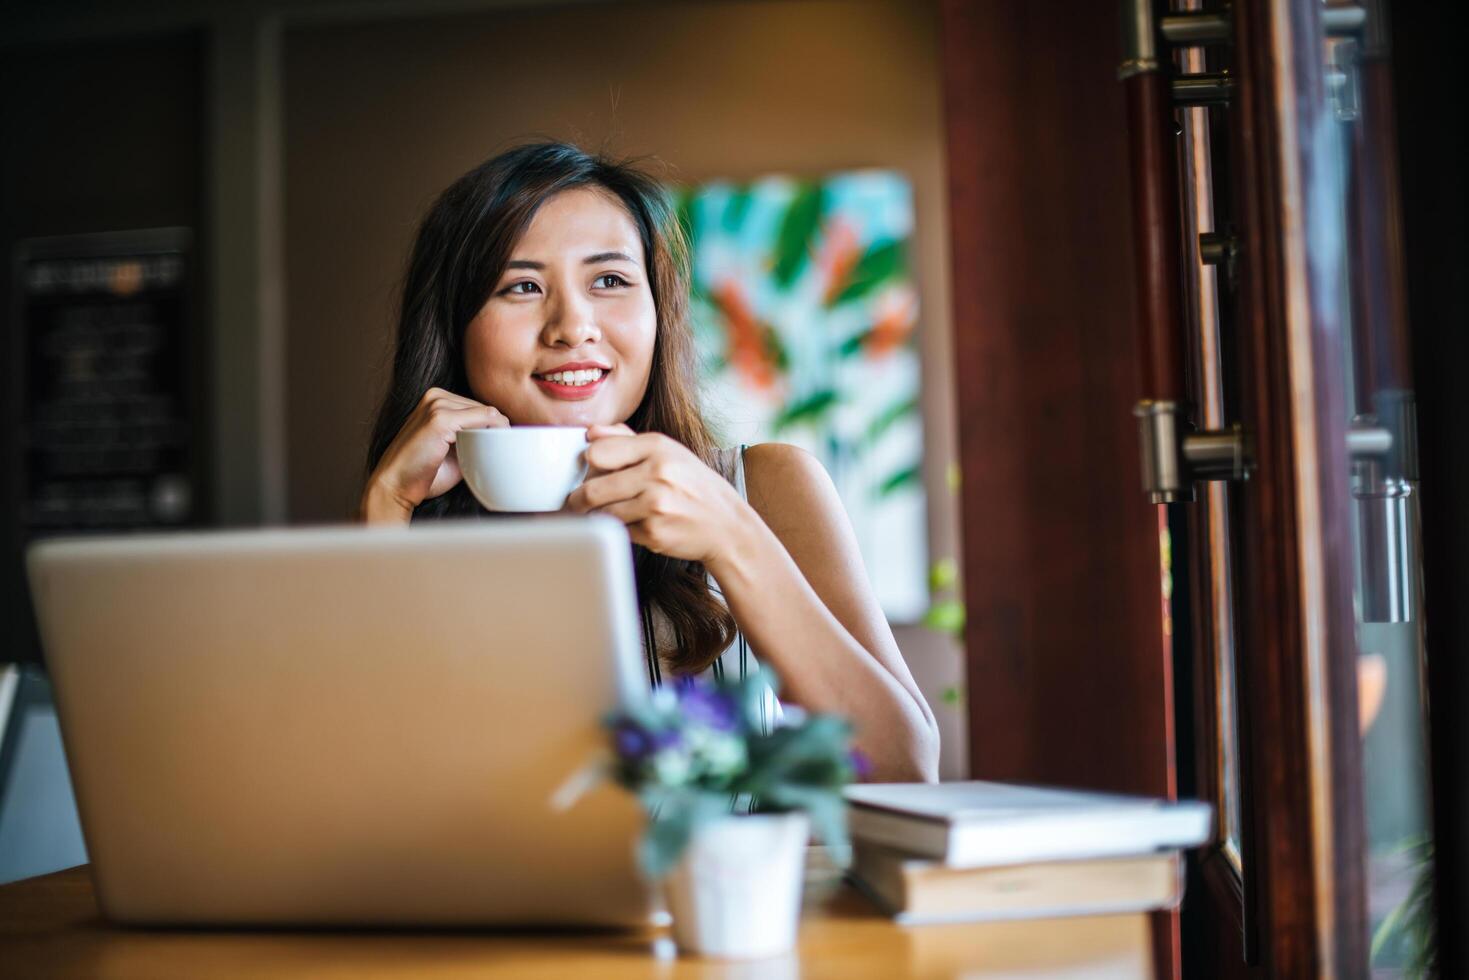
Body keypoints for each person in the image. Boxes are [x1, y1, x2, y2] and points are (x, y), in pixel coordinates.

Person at [360, 142, 938, 783]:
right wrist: (386, 513)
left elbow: (906, 769)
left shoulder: (767, 486)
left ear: (659, 311)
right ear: (455, 327)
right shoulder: (413, 528)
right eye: (522, 286)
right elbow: (354, 794)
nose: (573, 326)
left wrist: (733, 536)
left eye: (609, 281)